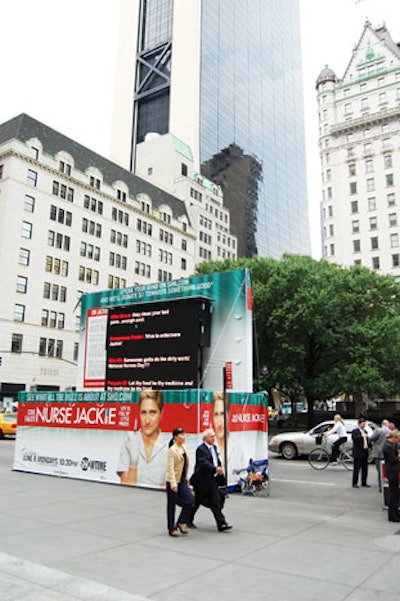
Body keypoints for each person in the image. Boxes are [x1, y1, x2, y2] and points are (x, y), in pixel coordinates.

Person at [116, 390, 168, 487]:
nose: (147, 420)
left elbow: (166, 490)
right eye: (143, 413)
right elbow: (126, 488)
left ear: (161, 414)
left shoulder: (169, 446)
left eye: (152, 413)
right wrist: (133, 463)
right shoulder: (129, 443)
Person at [189, 428, 232, 532]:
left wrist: (219, 469)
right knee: (197, 501)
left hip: (212, 480)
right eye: (211, 436)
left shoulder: (214, 448)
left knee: (215, 501)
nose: (213, 438)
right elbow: (203, 463)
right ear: (205, 438)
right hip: (201, 481)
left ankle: (221, 523)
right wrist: (215, 468)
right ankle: (187, 519)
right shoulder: (201, 449)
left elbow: (216, 460)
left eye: (214, 436)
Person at [165, 427, 193, 537]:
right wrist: (173, 484)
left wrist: (186, 477)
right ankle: (171, 528)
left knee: (189, 500)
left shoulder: (184, 448)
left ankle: (181, 521)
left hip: (182, 479)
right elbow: (170, 468)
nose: (183, 437)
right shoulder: (172, 450)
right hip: (173, 480)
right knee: (171, 505)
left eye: (184, 435)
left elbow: (185, 464)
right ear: (175, 437)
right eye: (181, 435)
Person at [212, 391, 245, 480]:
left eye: (222, 414)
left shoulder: (237, 447)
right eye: (216, 415)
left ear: (229, 414)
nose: (219, 422)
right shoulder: (207, 447)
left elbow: (243, 474)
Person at [382, 429, 400, 522]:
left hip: (394, 470)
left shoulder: (391, 445)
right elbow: (393, 459)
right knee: (393, 493)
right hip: (392, 471)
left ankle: (396, 513)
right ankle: (393, 515)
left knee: (395, 493)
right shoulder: (387, 446)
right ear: (394, 438)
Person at [370, 419, 391, 492]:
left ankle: (381, 486)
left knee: (379, 471)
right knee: (387, 470)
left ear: (382, 424)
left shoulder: (378, 430)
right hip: (387, 453)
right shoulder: (390, 432)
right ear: (387, 424)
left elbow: (371, 438)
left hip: (378, 453)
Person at [351, 418, 370, 488]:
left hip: (365, 451)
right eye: (363, 424)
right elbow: (354, 439)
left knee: (365, 468)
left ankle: (364, 482)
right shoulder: (355, 431)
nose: (364, 425)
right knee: (357, 468)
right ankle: (355, 483)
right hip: (358, 452)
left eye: (365, 424)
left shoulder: (365, 431)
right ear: (359, 424)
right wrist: (361, 436)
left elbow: (368, 440)